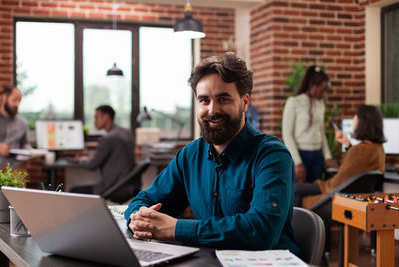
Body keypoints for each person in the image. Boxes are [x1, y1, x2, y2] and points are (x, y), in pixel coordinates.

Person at [124, 52, 299, 254]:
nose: (212, 109)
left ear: (245, 102)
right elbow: (146, 200)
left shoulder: (271, 155)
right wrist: (137, 219)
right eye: (204, 100)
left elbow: (261, 230)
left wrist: (176, 228)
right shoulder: (189, 155)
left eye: (223, 99)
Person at [294, 104, 386, 208]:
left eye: (355, 117)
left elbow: (339, 181)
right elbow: (355, 168)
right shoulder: (378, 149)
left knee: (295, 190)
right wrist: (347, 144)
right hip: (354, 195)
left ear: (362, 122)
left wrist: (326, 183)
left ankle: (294, 223)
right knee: (299, 188)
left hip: (339, 195)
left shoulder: (359, 150)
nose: (354, 120)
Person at [282, 65, 338, 183]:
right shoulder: (294, 102)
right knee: (298, 196)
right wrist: (297, 162)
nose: (323, 95)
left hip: (317, 157)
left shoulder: (320, 104)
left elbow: (321, 132)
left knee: (315, 195)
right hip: (300, 155)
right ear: (312, 86)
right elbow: (287, 134)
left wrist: (328, 157)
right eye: (322, 90)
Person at [70, 105, 136, 198]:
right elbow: (115, 155)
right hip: (130, 186)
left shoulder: (107, 139)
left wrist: (82, 160)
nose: (94, 121)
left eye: (96, 117)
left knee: (73, 191)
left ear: (106, 117)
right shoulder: (127, 133)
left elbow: (91, 166)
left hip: (113, 188)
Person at [0, 85, 30, 169]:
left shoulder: (22, 123)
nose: (17, 104)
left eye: (19, 101)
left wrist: (28, 150)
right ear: (4, 97)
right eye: (14, 100)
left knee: (20, 175)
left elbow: (25, 143)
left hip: (15, 167)